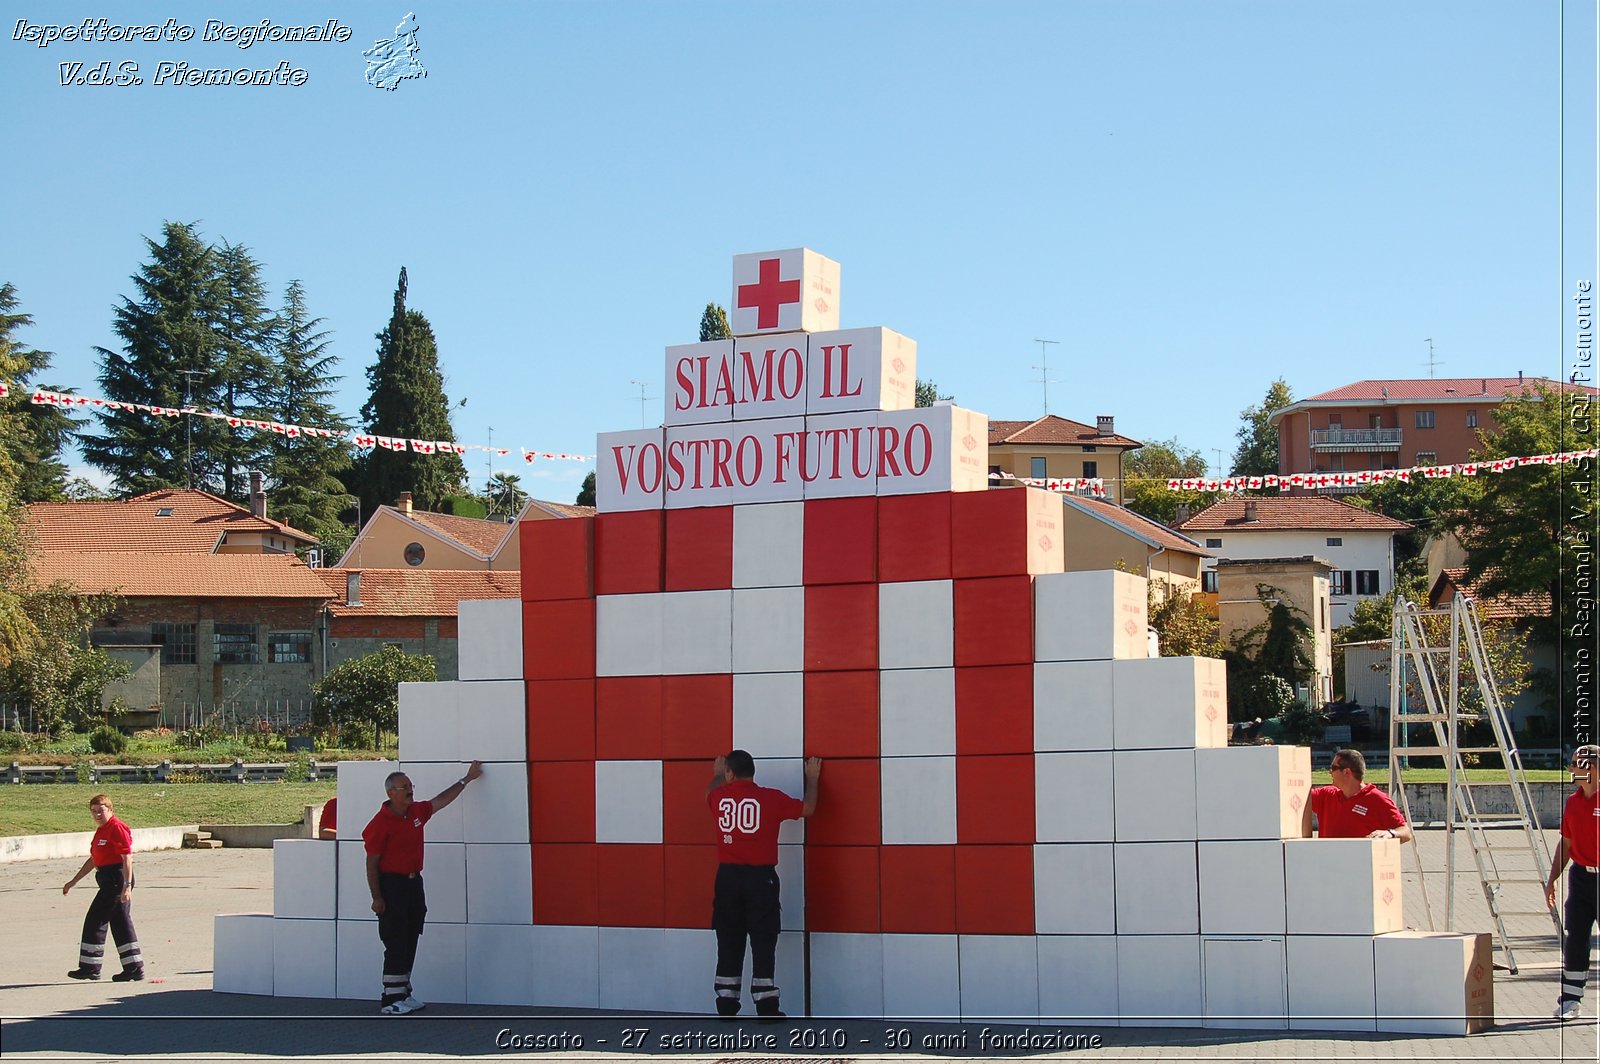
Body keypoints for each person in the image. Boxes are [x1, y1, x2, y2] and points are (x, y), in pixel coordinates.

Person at [705, 750, 820, 1019]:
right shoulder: (770, 798)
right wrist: (812, 778)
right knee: (763, 938)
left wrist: (716, 775)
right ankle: (766, 1004)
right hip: (761, 879)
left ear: (729, 773)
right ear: (753, 772)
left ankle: (726, 1002)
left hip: (728, 878)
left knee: (728, 937)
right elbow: (809, 808)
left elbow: (708, 793)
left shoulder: (719, 796)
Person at [363, 761, 483, 1015]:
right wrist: (377, 897)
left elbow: (440, 801)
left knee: (410, 936)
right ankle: (390, 1000)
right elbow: (371, 862)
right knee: (394, 940)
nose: (409, 790)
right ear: (390, 793)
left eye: (410, 786)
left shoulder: (417, 812)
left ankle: (404, 993)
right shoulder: (380, 824)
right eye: (403, 787)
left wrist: (466, 779)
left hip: (413, 882)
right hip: (391, 884)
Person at [62, 793, 144, 982]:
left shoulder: (117, 828)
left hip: (117, 880)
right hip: (108, 879)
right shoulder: (102, 830)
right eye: (93, 811)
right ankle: (134, 968)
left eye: (101, 811)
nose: (97, 814)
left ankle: (90, 967)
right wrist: (73, 881)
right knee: (121, 923)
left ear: (110, 809)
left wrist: (127, 885)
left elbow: (127, 858)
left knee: (95, 920)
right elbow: (94, 860)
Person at [1546, 745, 1600, 1021]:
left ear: (1590, 768)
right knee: (1576, 939)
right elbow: (1566, 843)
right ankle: (1570, 1001)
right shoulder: (1573, 802)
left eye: (1576, 764)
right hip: (1580, 878)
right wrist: (1552, 879)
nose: (1571, 769)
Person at [1300, 748, 1412, 842]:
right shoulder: (1325, 795)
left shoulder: (1376, 799)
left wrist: (1390, 833)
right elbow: (1293, 794)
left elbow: (1406, 832)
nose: (1330, 772)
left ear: (1346, 772)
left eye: (1333, 768)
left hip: (1360, 866)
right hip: (1328, 865)